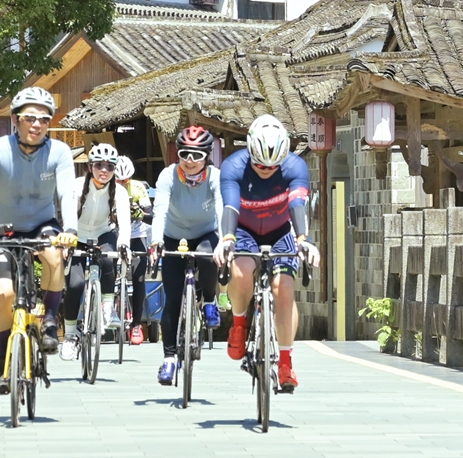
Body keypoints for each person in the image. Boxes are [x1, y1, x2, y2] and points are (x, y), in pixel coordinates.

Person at [0, 86, 79, 395]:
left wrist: (71, 229)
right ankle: (3, 359)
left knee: (55, 256)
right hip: (6, 230)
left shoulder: (60, 152)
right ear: (15, 120)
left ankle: (50, 319)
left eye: (44, 119)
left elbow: (67, 192)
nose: (37, 124)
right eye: (29, 118)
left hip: (44, 226)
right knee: (1, 295)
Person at [214, 115, 319, 392]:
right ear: (249, 151)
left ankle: (285, 362)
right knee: (241, 269)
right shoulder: (233, 166)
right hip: (245, 229)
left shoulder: (295, 166)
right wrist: (226, 239)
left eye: (273, 166)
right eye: (260, 164)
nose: (265, 169)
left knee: (283, 288)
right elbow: (230, 207)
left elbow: (297, 203)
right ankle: (238, 323)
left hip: (281, 230)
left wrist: (303, 240)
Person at [149, 126, 223, 386]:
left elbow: (222, 209)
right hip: (173, 235)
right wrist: (155, 241)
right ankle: (169, 359)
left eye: (196, 155)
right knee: (171, 299)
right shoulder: (168, 175)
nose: (190, 161)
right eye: (184, 154)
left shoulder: (215, 176)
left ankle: (210, 301)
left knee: (207, 255)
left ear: (206, 156)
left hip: (206, 233)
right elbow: (160, 210)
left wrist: (225, 241)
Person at [60, 142, 130, 360]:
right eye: (99, 165)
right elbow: (68, 214)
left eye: (110, 167)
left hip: (103, 232)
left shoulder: (119, 191)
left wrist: (124, 243)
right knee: (75, 284)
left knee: (109, 260)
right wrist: (67, 239)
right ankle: (70, 336)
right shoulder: (77, 185)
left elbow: (125, 224)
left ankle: (108, 307)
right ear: (90, 167)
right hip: (77, 235)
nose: (104, 171)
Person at [114, 155, 153, 343]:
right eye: (118, 180)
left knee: (139, 278)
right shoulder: (106, 188)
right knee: (108, 269)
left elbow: (150, 215)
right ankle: (106, 309)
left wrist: (139, 211)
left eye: (125, 179)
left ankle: (136, 324)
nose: (122, 183)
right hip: (114, 234)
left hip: (136, 235)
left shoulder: (137, 188)